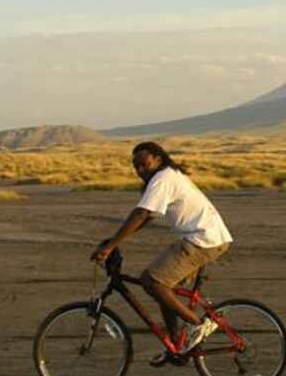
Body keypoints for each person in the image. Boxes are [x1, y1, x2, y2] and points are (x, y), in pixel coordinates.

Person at [90, 141, 233, 359]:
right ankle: (176, 344)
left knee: (152, 281)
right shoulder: (166, 176)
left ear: (158, 159)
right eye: (136, 166)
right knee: (165, 287)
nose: (140, 170)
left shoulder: (163, 178)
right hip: (204, 237)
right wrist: (115, 241)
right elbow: (147, 216)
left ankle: (198, 324)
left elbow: (140, 214)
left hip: (204, 239)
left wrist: (110, 246)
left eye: (144, 164)